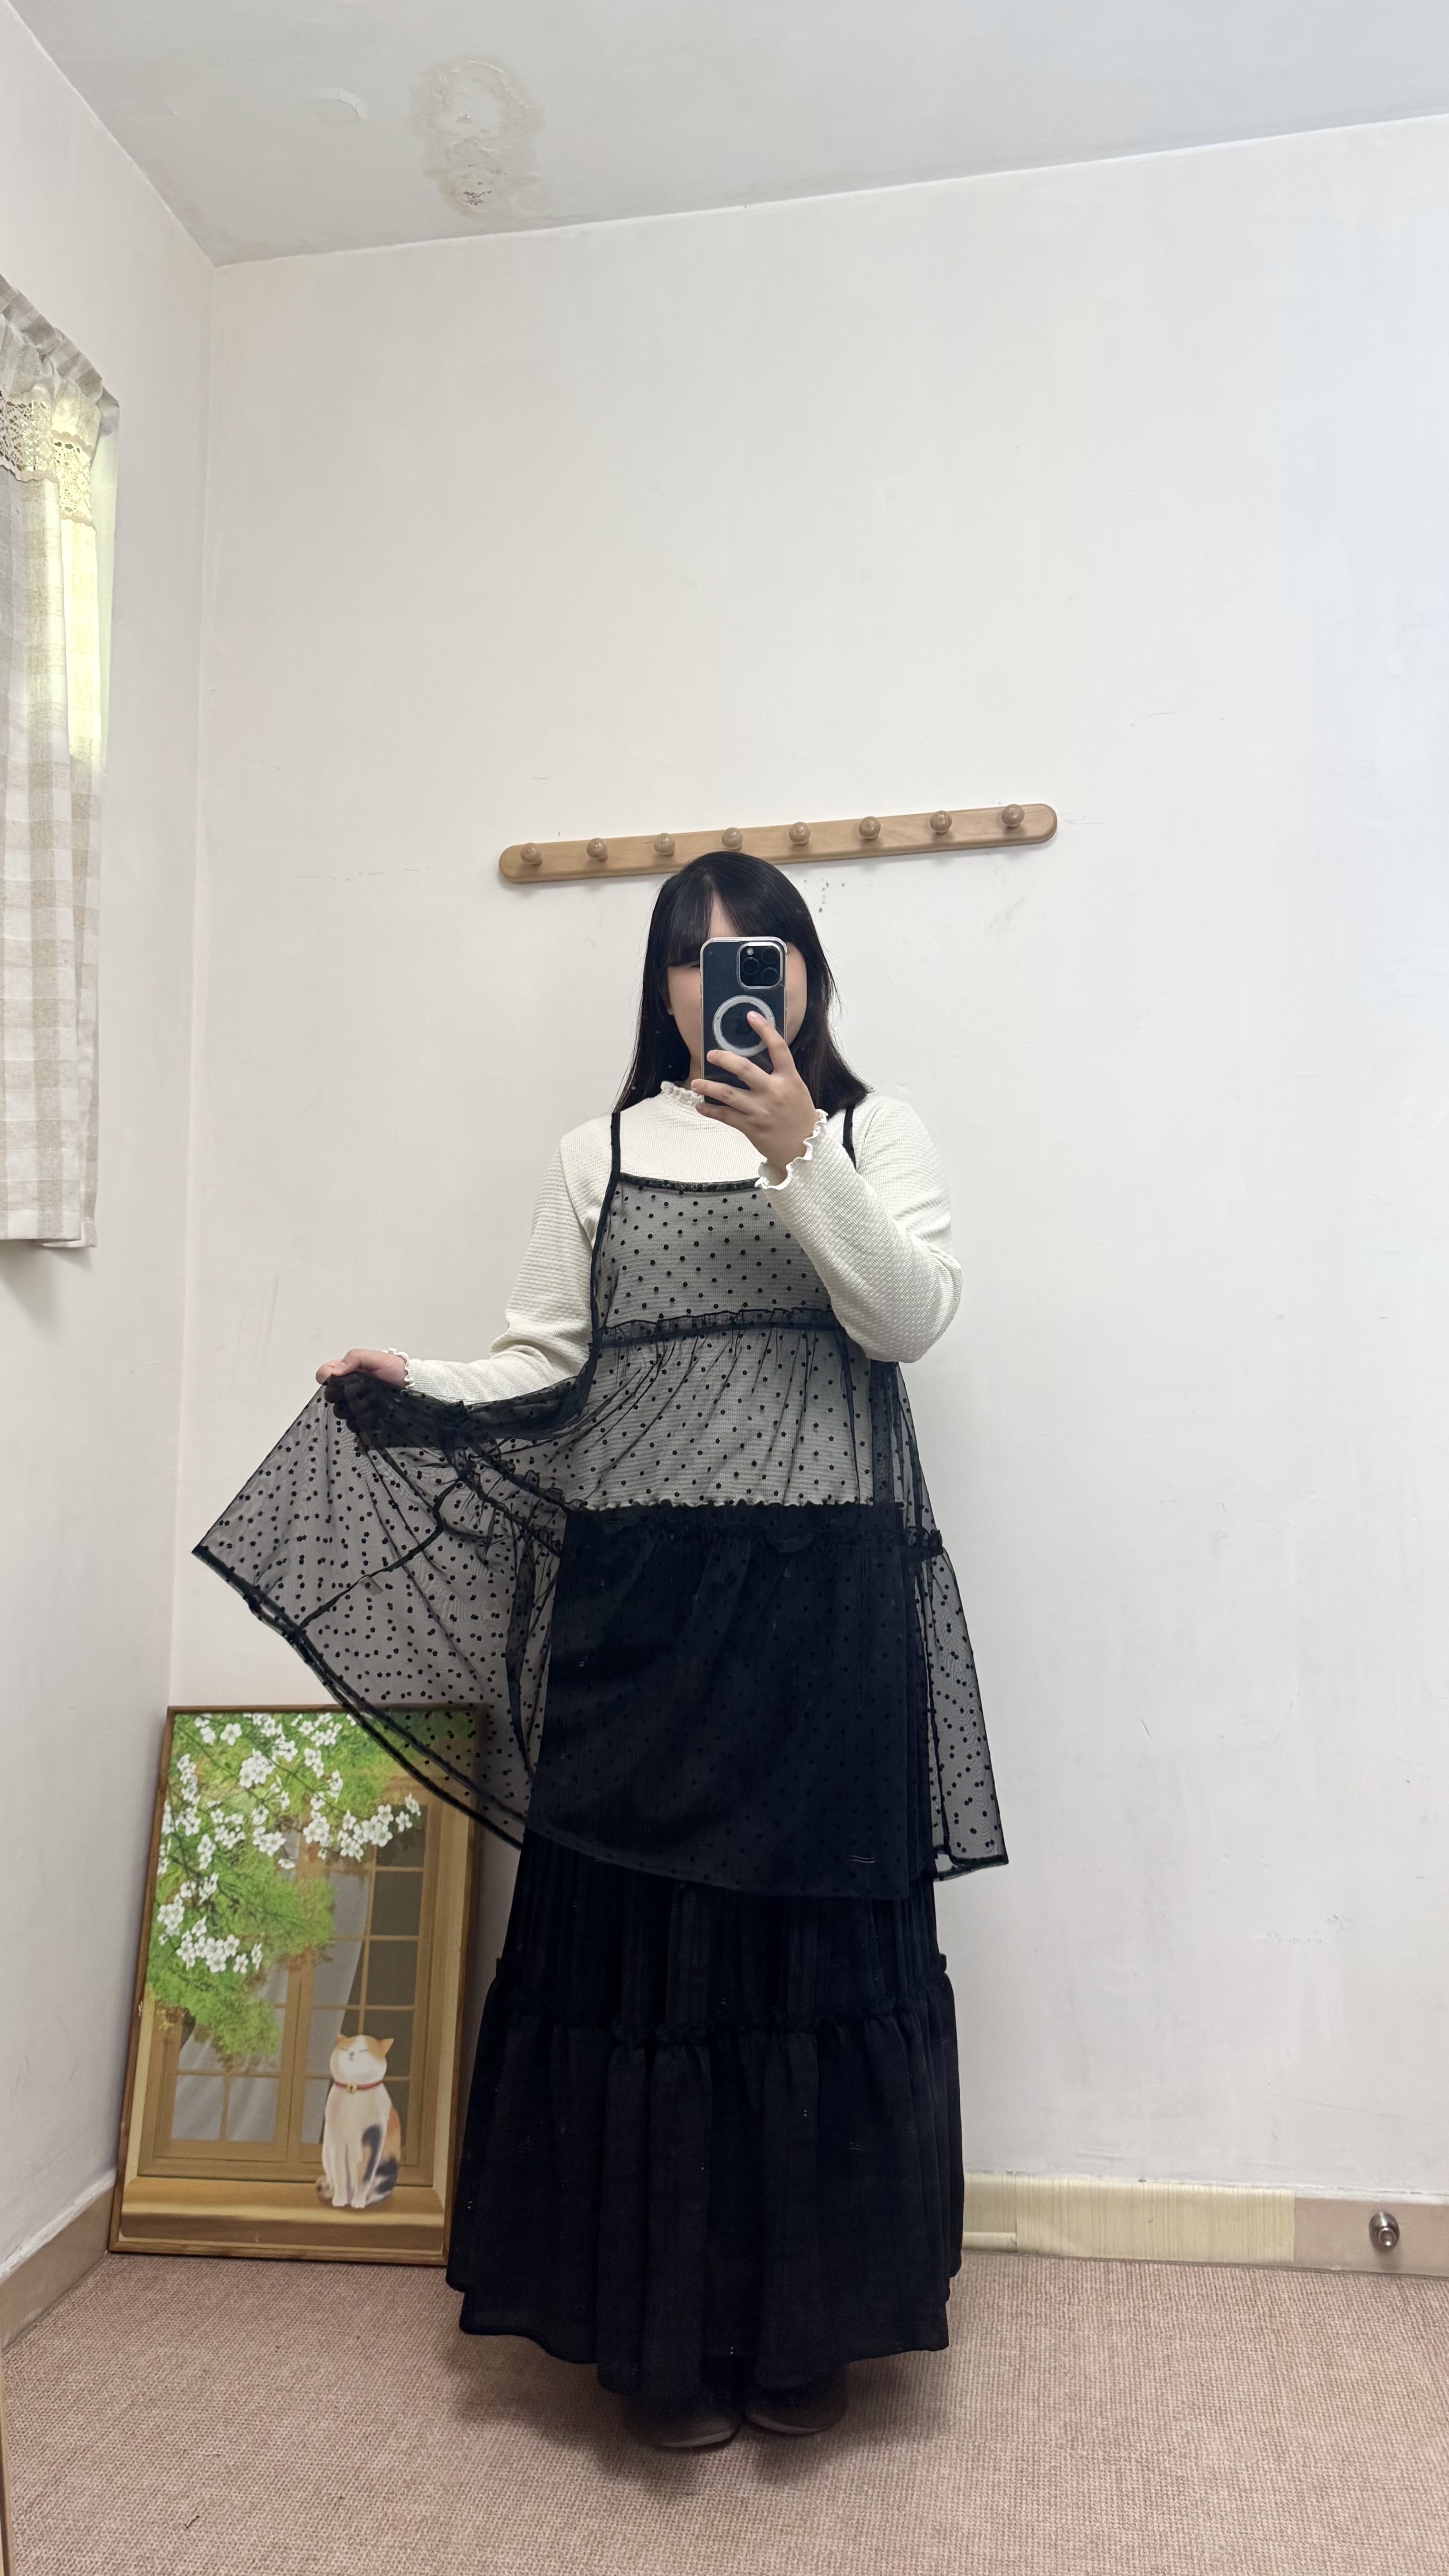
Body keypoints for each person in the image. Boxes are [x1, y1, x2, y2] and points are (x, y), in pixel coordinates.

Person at [199, 850, 1005, 2450]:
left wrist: (795, 1150)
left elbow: (905, 1320)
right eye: (696, 958)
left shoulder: (870, 1132)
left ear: (807, 973)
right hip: (637, 1611)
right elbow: (544, 1366)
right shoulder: (600, 1151)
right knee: (646, 1963)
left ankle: (802, 2339)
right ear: (662, 988)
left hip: (823, 1612)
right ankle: (659, 2345)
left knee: (803, 1965)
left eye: (760, 951)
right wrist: (419, 1383)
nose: (729, 980)